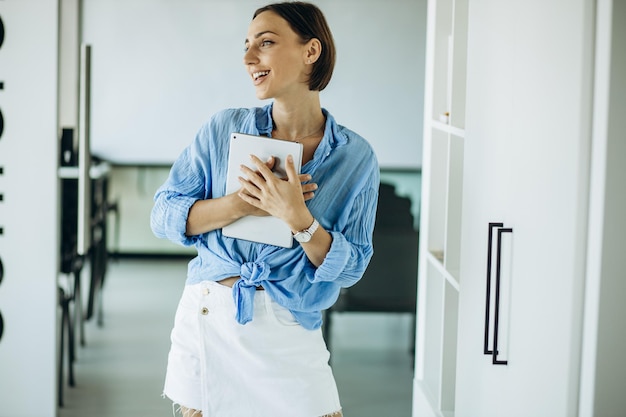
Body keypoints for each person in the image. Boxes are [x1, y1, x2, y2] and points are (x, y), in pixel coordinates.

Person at [151, 2, 379, 416]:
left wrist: (299, 219)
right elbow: (164, 214)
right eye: (246, 46)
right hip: (210, 317)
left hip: (291, 328)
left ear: (312, 51)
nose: (248, 57)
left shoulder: (355, 157)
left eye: (266, 43)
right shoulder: (224, 129)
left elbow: (352, 268)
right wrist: (239, 204)